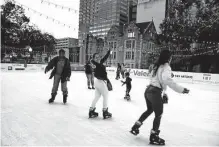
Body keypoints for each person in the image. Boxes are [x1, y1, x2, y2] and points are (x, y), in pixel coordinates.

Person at [130, 50, 190, 145]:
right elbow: (166, 80)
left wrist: (164, 92)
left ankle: (136, 126)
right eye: (171, 57)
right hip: (155, 92)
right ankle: (154, 136)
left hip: (148, 90)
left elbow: (156, 79)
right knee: (158, 114)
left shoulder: (156, 65)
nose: (171, 59)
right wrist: (181, 89)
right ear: (168, 58)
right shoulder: (166, 66)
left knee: (149, 110)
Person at [89, 49, 112, 119]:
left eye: (98, 57)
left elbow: (104, 58)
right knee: (106, 95)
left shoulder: (99, 63)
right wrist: (92, 60)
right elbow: (93, 62)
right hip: (100, 82)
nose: (98, 58)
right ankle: (105, 112)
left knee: (97, 96)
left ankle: (91, 110)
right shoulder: (95, 64)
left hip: (98, 82)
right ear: (93, 59)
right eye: (96, 57)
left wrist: (108, 52)